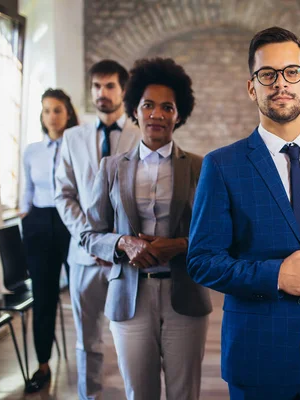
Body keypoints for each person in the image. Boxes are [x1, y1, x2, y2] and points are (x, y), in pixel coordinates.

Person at [187, 27, 300, 400]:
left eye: (291, 72)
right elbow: (202, 261)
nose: (280, 83)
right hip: (257, 355)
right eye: (267, 74)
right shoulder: (222, 165)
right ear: (252, 87)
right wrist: (277, 276)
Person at [80, 57, 212, 400]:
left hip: (185, 295)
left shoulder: (201, 167)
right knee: (140, 393)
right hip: (129, 296)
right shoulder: (111, 168)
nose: (157, 114)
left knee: (185, 393)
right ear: (134, 111)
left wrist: (179, 245)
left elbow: (216, 235)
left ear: (179, 114)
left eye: (167, 107)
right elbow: (90, 234)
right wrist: (124, 242)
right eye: (148, 105)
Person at [54, 60, 140, 399]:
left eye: (109, 86)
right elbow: (64, 194)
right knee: (87, 339)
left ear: (123, 90)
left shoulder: (139, 133)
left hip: (126, 257)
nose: (101, 94)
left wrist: (117, 244)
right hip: (85, 254)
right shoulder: (72, 137)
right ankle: (88, 396)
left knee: (132, 338)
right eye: (96, 87)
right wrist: (92, 241)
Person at [19, 89, 78, 393]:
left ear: (68, 112)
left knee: (81, 293)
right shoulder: (31, 150)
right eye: (46, 111)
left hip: (71, 222)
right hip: (39, 224)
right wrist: (25, 223)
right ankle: (43, 365)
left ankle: (86, 360)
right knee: (44, 299)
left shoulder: (79, 145)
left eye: (57, 110)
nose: (51, 117)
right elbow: (26, 191)